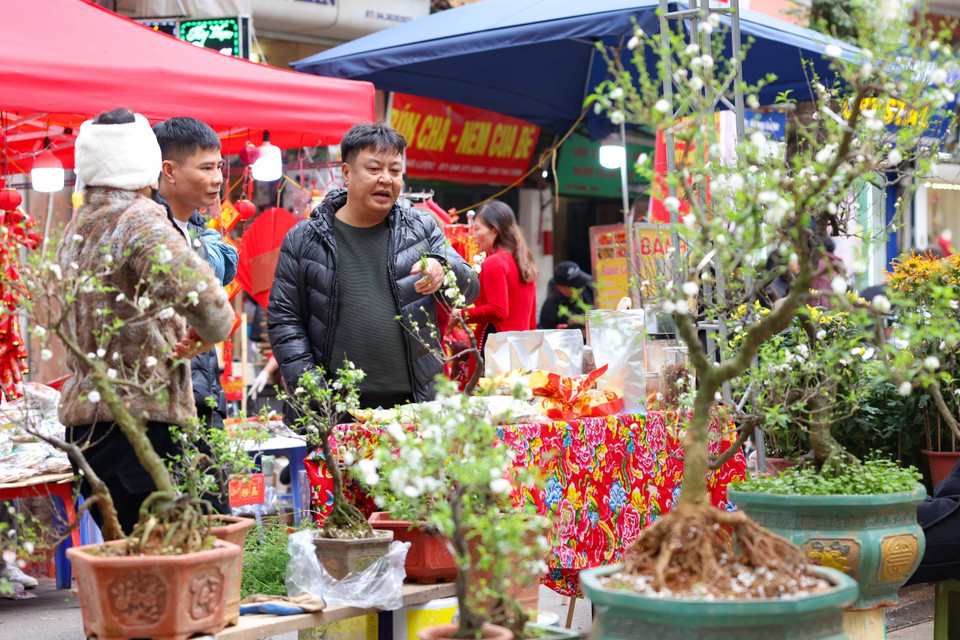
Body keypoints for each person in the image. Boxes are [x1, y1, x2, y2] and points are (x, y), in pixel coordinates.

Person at [58, 108, 234, 534]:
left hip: (84, 426)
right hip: (142, 422)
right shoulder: (138, 219)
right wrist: (207, 335)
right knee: (168, 563)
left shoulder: (76, 226)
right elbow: (211, 304)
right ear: (148, 163)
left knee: (128, 558)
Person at [267, 123, 480, 411]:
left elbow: (469, 292)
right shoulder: (305, 238)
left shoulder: (421, 228)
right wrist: (313, 393)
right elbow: (285, 320)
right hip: (337, 410)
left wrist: (443, 268)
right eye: (374, 169)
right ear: (346, 173)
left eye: (395, 171)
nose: (386, 179)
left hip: (415, 407)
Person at [152, 116, 238, 514]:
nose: (218, 178)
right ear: (168, 170)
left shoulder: (196, 227)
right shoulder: (150, 230)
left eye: (219, 166)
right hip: (162, 402)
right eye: (206, 167)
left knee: (215, 514)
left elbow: (227, 267)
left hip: (204, 392)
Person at [452, 200, 537, 353]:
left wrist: (460, 314)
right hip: (521, 347)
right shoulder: (523, 261)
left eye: (477, 229)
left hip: (497, 346)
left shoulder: (494, 262)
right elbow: (531, 320)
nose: (473, 235)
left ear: (494, 230)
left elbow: (498, 310)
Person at [538, 260, 595, 331]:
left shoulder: (587, 289)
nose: (580, 289)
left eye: (581, 285)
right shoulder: (550, 310)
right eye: (576, 287)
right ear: (560, 288)